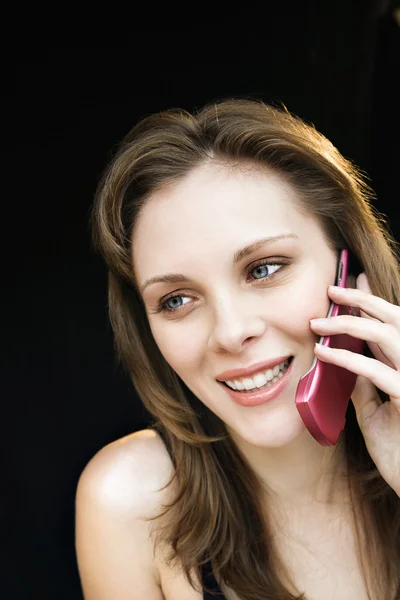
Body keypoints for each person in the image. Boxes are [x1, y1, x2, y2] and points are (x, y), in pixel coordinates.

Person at [75, 98, 400, 600]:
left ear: (349, 269)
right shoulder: (132, 500)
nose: (229, 332)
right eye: (177, 299)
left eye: (264, 269)